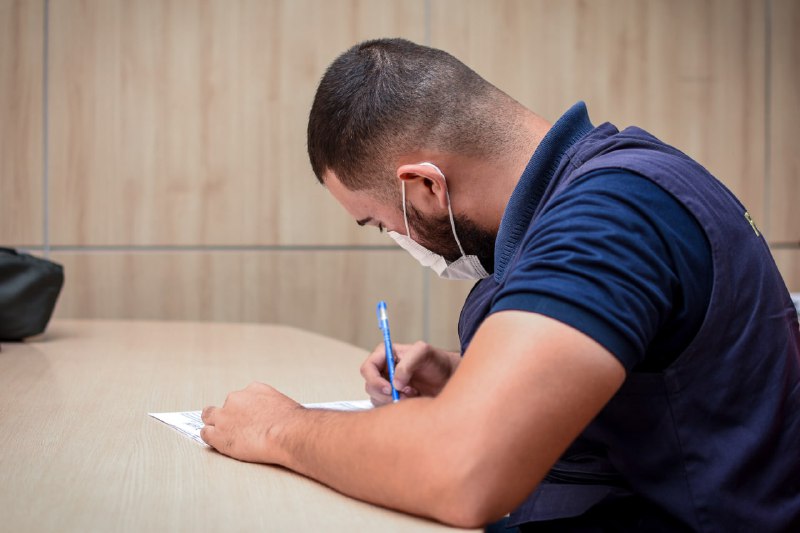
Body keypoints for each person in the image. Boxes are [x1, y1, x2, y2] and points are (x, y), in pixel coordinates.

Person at [200, 38, 800, 531]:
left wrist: (280, 428)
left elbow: (465, 471)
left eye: (381, 223)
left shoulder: (608, 217)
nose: (394, 237)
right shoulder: (618, 181)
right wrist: (471, 378)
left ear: (426, 186)